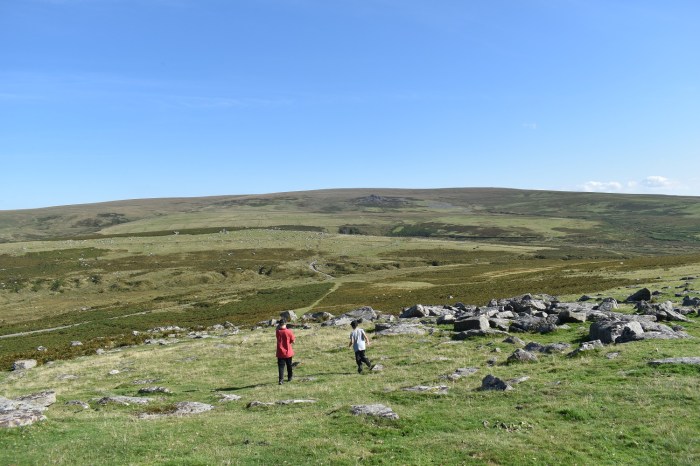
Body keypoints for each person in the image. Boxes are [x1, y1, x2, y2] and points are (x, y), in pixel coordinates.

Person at [275, 318, 295, 385]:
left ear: (280, 324)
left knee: (281, 367)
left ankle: (281, 380)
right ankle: (290, 377)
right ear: (285, 324)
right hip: (288, 352)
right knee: (289, 365)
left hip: (280, 352)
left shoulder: (277, 331)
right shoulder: (289, 331)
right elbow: (293, 341)